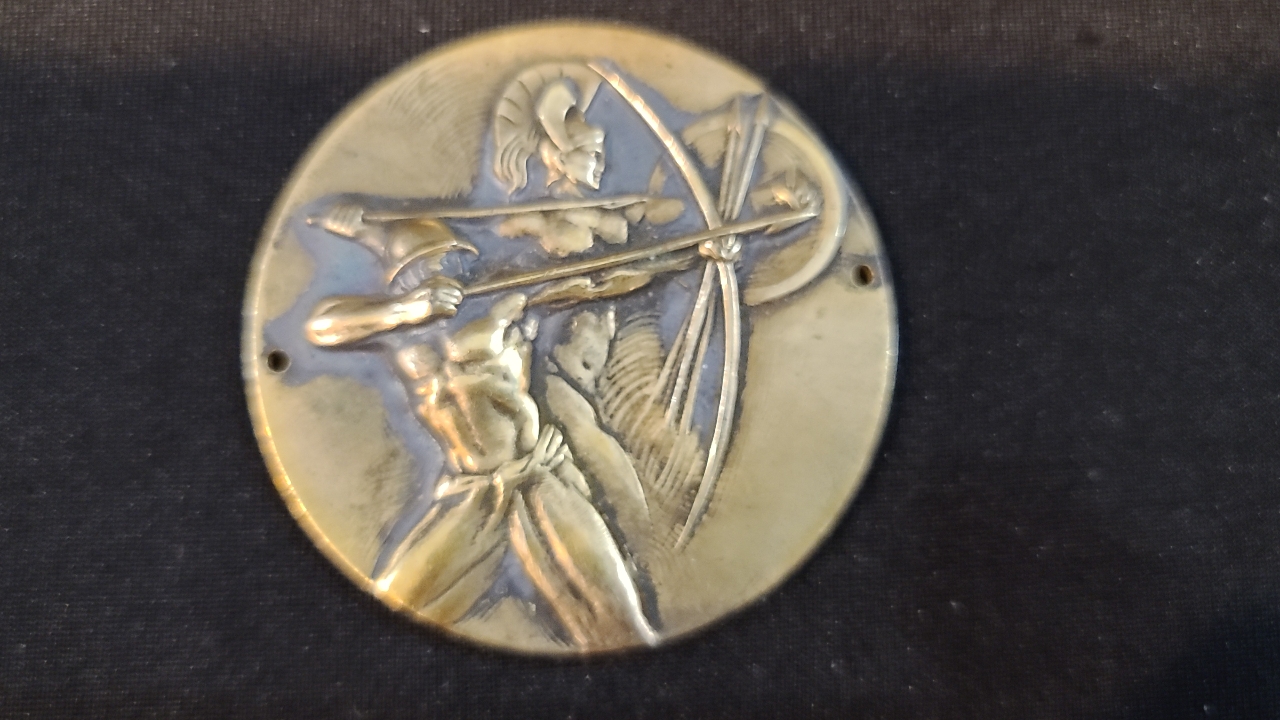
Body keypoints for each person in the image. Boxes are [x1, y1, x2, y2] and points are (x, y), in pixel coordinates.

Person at [371, 294, 657, 649]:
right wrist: (403, 309)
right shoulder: (401, 319)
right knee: (393, 599)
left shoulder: (505, 297)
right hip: (468, 492)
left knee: (619, 624)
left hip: (536, 478)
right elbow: (323, 326)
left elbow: (603, 279)